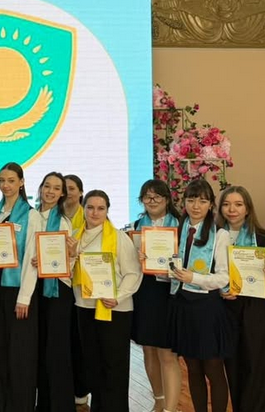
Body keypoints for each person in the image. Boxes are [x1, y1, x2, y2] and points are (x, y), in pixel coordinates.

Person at [72, 190, 141, 411]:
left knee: (114, 367)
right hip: (85, 307)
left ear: (107, 211)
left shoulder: (118, 237)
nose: (95, 212)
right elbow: (68, 273)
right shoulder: (74, 236)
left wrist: (117, 297)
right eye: (90, 207)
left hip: (115, 310)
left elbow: (133, 273)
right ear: (83, 208)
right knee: (93, 365)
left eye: (100, 208)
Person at [169, 179, 232, 412]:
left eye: (203, 201)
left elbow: (223, 277)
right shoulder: (176, 230)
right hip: (182, 305)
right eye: (191, 200)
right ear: (184, 202)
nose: (196, 206)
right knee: (193, 369)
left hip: (206, 308)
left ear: (211, 205)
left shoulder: (220, 234)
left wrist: (193, 278)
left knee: (213, 369)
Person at [0, 163, 36, 412]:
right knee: (1, 349)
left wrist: (25, 297)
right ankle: (3, 405)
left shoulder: (31, 215)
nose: (5, 185)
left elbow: (32, 259)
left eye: (11, 180)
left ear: (21, 182)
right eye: (2, 180)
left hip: (19, 290)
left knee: (20, 352)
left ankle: (22, 406)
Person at [16, 171, 76, 412]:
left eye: (56, 188)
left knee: (56, 351)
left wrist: (51, 261)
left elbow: (68, 263)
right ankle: (44, 404)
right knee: (39, 349)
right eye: (47, 186)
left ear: (62, 194)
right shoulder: (30, 215)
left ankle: (61, 406)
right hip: (36, 289)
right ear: (40, 188)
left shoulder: (63, 222)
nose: (50, 191)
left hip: (57, 291)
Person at [218, 185, 265, 412]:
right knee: (234, 368)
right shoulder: (214, 237)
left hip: (258, 311)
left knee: (259, 369)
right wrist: (220, 289)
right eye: (226, 204)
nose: (232, 209)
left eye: (238, 204)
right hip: (227, 310)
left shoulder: (264, 238)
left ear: (247, 208)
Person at [130, 179, 182, 412]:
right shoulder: (135, 226)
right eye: (147, 197)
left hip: (169, 293)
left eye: (157, 196)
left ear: (167, 199)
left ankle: (171, 407)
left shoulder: (180, 225)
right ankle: (159, 401)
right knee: (148, 350)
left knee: (167, 354)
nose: (152, 201)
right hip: (145, 293)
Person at [63, 174, 88, 406]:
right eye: (65, 188)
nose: (68, 192)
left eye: (72, 188)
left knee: (79, 339)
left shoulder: (89, 216)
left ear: (81, 192)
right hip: (58, 285)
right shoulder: (52, 216)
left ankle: (81, 388)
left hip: (82, 286)